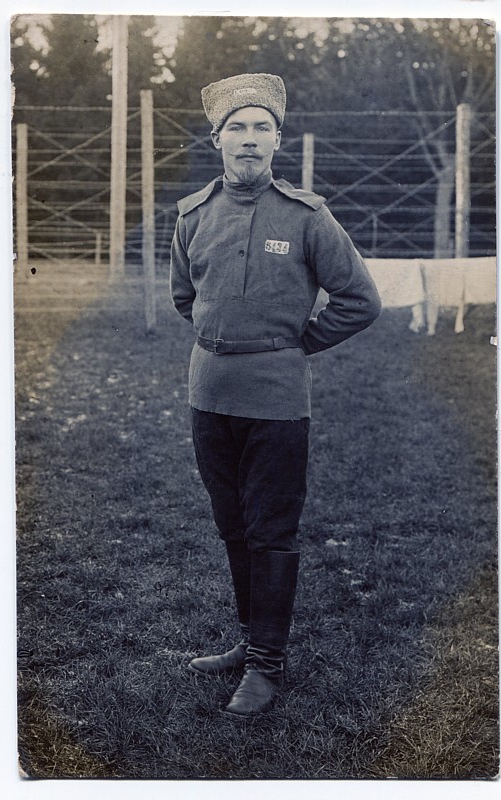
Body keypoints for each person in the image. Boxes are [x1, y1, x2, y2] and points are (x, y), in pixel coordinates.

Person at [170, 73, 381, 719]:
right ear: (217, 139)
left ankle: (267, 664)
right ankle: (249, 640)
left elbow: (360, 300)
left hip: (277, 402)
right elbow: (185, 297)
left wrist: (291, 345)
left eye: (262, 127)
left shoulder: (307, 216)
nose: (250, 139)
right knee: (232, 526)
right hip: (209, 394)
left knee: (271, 531)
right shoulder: (193, 215)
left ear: (278, 141)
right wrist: (225, 340)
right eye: (237, 127)